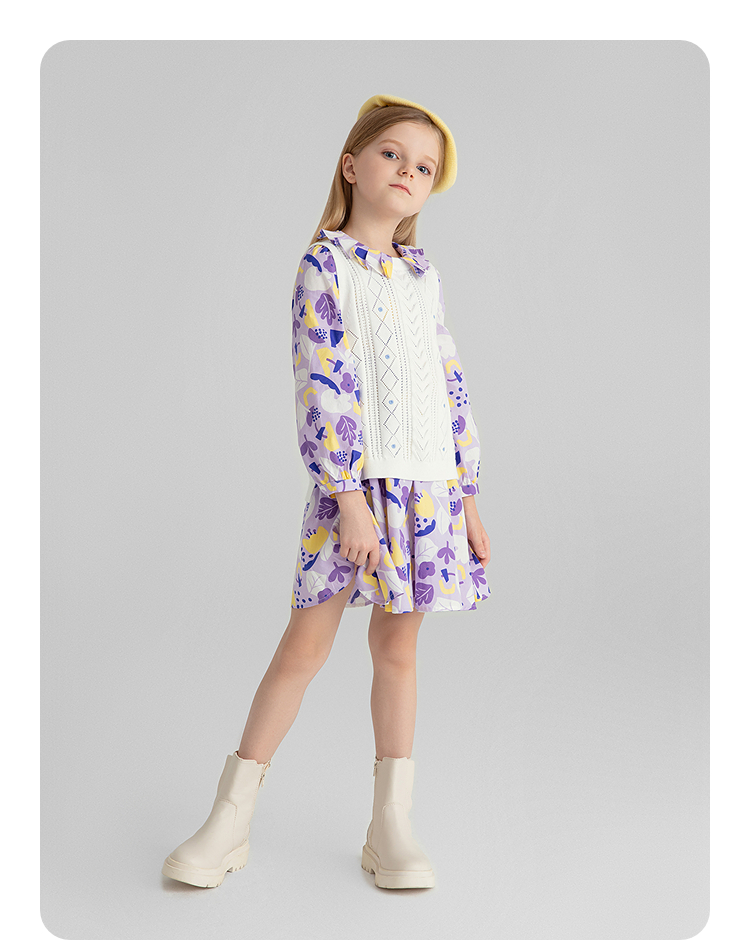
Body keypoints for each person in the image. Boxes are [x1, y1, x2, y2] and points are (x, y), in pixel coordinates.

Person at [162, 93, 492, 891]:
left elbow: (448, 383)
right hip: (355, 493)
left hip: (428, 494)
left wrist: (468, 496)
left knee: (398, 650)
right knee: (304, 648)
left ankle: (391, 826)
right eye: (392, 154)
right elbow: (322, 382)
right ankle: (228, 820)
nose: (408, 172)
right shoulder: (326, 264)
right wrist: (347, 499)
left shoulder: (422, 276)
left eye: (424, 167)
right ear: (352, 164)